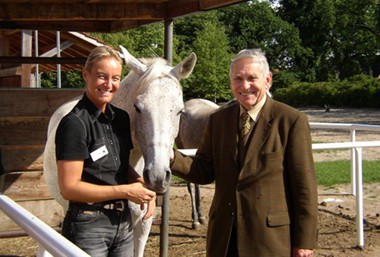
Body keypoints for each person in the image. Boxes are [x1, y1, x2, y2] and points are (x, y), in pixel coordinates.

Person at [170, 49, 318, 257]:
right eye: (237, 78)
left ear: (267, 80)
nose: (244, 86)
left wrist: (304, 242)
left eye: (252, 78)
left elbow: (305, 187)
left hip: (270, 242)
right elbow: (204, 170)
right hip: (224, 239)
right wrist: (171, 157)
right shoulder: (218, 120)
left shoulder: (291, 121)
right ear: (230, 81)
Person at [55, 45, 156, 257]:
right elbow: (69, 188)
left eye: (115, 78)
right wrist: (126, 192)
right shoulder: (74, 124)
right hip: (88, 224)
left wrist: (141, 185)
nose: (109, 85)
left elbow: (119, 164)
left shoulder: (120, 118)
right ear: (86, 75)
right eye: (102, 77)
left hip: (122, 222)